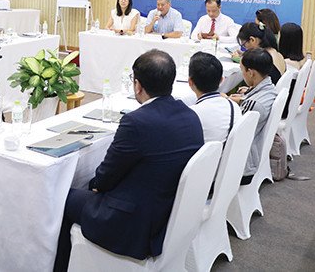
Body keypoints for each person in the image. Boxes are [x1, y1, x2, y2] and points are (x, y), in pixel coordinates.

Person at [54, 50, 204, 271]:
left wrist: (95, 186)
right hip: (168, 211)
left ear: (137, 85)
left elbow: (105, 177)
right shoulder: (191, 115)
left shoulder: (136, 122)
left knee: (61, 196)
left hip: (133, 224)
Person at [229, 48, 278, 185]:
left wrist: (226, 102)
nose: (242, 74)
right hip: (252, 156)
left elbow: (232, 131)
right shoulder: (270, 89)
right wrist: (242, 99)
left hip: (242, 166)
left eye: (242, 70)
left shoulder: (254, 105)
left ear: (251, 73)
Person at [188, 52, 242, 143]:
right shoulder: (233, 106)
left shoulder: (191, 115)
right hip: (228, 151)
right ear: (222, 80)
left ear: (190, 82)